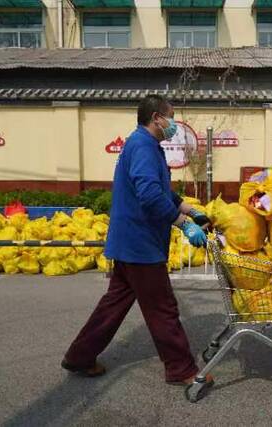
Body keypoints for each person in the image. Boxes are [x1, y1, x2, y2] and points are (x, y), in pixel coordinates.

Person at [62, 94, 213, 386]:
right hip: (140, 244)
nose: (173, 123)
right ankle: (181, 370)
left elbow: (162, 192)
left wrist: (190, 210)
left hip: (130, 241)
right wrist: (183, 224)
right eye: (170, 116)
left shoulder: (146, 145)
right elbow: (149, 195)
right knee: (162, 308)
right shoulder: (143, 146)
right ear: (156, 118)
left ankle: (79, 357)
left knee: (114, 304)